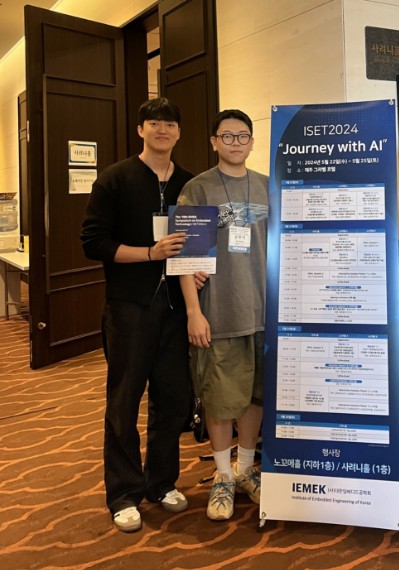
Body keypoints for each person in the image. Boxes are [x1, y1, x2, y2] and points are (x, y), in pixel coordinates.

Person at [81, 97, 194, 532]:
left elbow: (198, 241)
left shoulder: (188, 183)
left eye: (170, 123)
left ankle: (161, 482)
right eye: (154, 123)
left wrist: (198, 268)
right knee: (124, 401)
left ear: (179, 132)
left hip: (176, 309)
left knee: (173, 400)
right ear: (140, 130)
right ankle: (123, 493)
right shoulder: (115, 178)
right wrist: (150, 253)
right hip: (129, 308)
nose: (162, 130)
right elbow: (93, 243)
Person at [177, 109, 269, 521]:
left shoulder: (268, 187)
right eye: (227, 136)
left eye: (242, 135)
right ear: (213, 141)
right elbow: (186, 257)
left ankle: (245, 469)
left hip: (264, 312)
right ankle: (222, 476)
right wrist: (193, 313)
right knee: (219, 398)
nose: (235, 142)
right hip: (219, 312)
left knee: (254, 395)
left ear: (252, 141)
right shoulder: (197, 189)